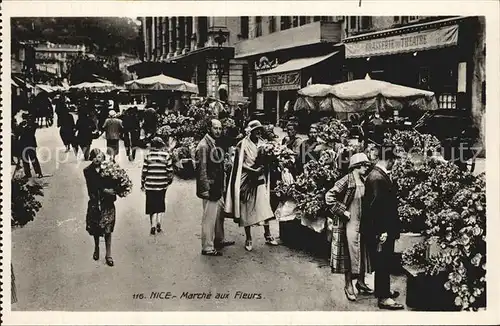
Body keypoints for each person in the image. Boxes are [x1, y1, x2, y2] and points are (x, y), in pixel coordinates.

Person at [325, 153, 373, 302]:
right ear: (357, 166)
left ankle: (361, 282)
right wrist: (342, 210)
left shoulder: (364, 179)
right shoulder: (347, 180)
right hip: (349, 222)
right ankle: (348, 285)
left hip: (362, 221)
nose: (366, 168)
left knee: (363, 251)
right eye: (364, 165)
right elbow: (329, 196)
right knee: (350, 253)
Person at [225, 120, 279, 252]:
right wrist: (252, 171)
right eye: (256, 130)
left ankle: (268, 234)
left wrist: (266, 165)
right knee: (246, 208)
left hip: (260, 178)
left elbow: (268, 160)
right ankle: (248, 238)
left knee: (264, 206)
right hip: (246, 178)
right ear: (250, 132)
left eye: (260, 129)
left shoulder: (264, 144)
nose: (258, 132)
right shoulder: (242, 144)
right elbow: (238, 163)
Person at [363, 145, 404, 310]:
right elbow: (376, 208)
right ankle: (383, 297)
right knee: (383, 261)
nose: (395, 164)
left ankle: (383, 291)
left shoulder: (377, 175)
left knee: (384, 261)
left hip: (382, 228)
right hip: (382, 230)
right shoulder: (378, 178)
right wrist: (382, 231)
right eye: (394, 161)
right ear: (390, 160)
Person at [195, 119, 235, 256]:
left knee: (219, 214)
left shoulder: (212, 143)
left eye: (219, 128)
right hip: (210, 187)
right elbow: (202, 169)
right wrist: (205, 189)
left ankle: (219, 239)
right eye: (215, 128)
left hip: (217, 187)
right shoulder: (203, 146)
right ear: (209, 129)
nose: (218, 131)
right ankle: (207, 247)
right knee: (209, 218)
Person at [83, 148, 117, 267]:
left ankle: (108, 254)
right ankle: (96, 248)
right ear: (91, 158)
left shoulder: (108, 168)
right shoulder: (87, 171)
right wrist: (104, 190)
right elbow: (92, 187)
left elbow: (114, 182)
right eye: (95, 157)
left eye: (100, 157)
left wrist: (115, 190)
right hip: (95, 202)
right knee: (96, 228)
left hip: (107, 203)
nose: (97, 159)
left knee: (108, 228)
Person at [141, 137, 174, 235]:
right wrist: (168, 181)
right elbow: (170, 171)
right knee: (160, 202)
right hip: (161, 184)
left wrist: (142, 182)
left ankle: (152, 225)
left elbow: (144, 171)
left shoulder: (148, 156)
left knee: (151, 205)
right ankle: (159, 220)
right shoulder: (166, 156)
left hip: (150, 185)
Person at [17, 113, 43, 178]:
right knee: (25, 159)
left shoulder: (32, 125)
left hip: (31, 143)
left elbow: (30, 132)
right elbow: (18, 132)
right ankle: (28, 173)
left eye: (29, 118)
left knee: (33, 158)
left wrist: (24, 127)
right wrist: (21, 126)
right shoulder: (22, 125)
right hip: (23, 144)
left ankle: (38, 173)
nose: (27, 120)